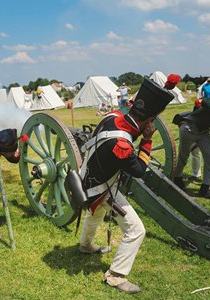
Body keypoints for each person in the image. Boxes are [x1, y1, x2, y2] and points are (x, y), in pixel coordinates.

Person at [79, 75, 180, 294]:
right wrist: (147, 140)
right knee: (136, 230)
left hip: (87, 175)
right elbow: (139, 171)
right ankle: (116, 276)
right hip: (100, 188)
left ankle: (85, 246)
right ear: (150, 119)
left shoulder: (113, 116)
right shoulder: (122, 144)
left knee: (94, 214)